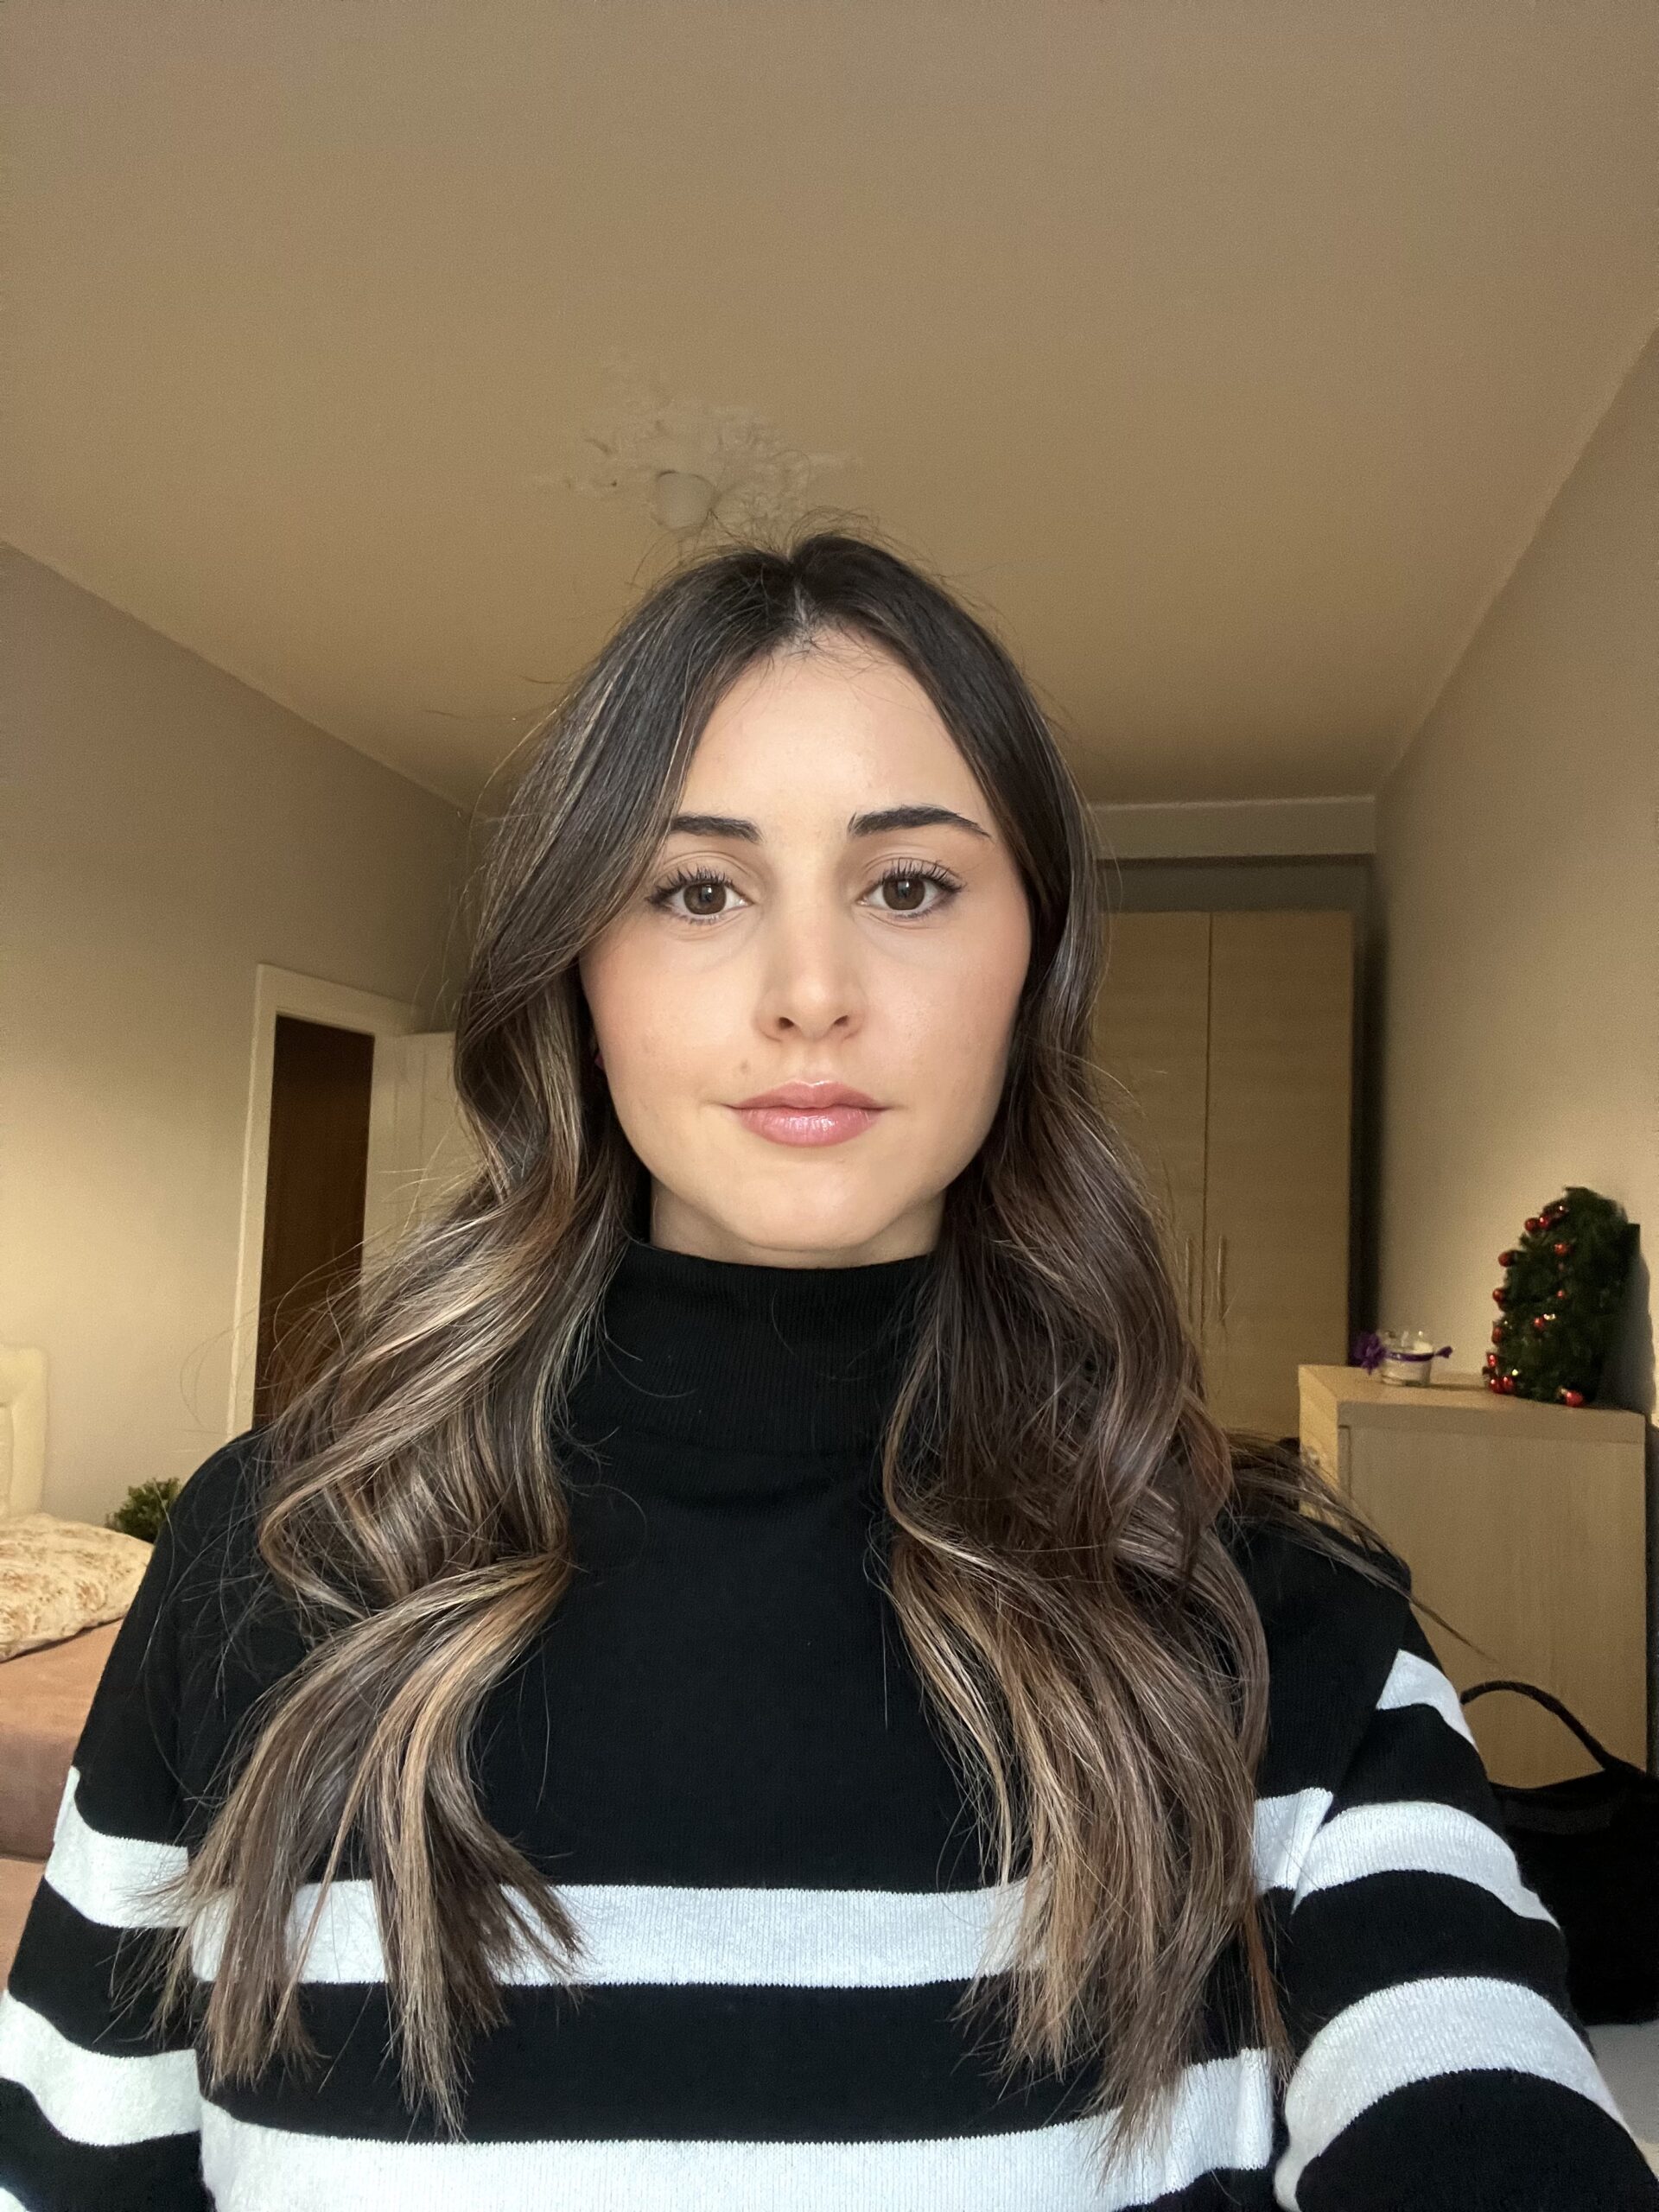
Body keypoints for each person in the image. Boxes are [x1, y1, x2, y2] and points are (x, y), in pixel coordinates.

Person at [1, 529, 1652, 2212]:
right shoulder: (270, 1556)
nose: (810, 995)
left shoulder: (1272, 1628)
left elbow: (1480, 2103)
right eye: (697, 890)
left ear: (1036, 960)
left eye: (910, 886)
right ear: (582, 967)